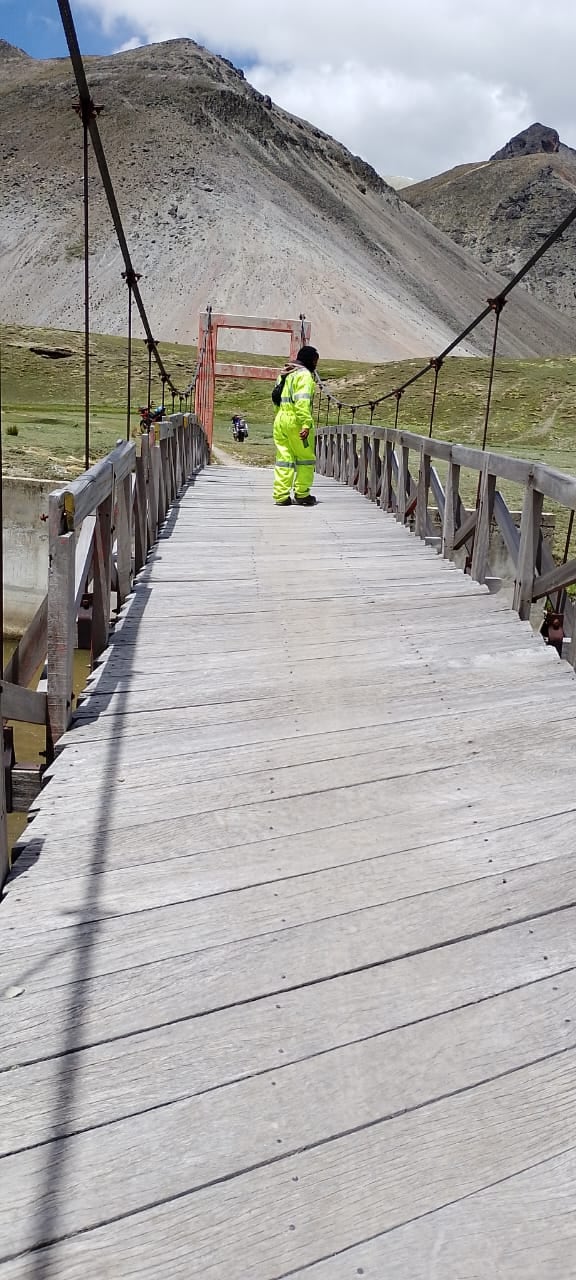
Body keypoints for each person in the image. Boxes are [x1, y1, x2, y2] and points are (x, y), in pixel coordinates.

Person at [272, 345, 319, 506]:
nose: (316, 364)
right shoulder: (304, 375)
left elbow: (276, 399)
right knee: (305, 458)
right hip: (296, 422)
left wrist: (280, 417)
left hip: (280, 420)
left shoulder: (285, 373)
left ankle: (281, 496)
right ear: (310, 360)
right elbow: (302, 402)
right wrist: (305, 424)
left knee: (284, 458)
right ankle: (302, 493)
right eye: (315, 361)